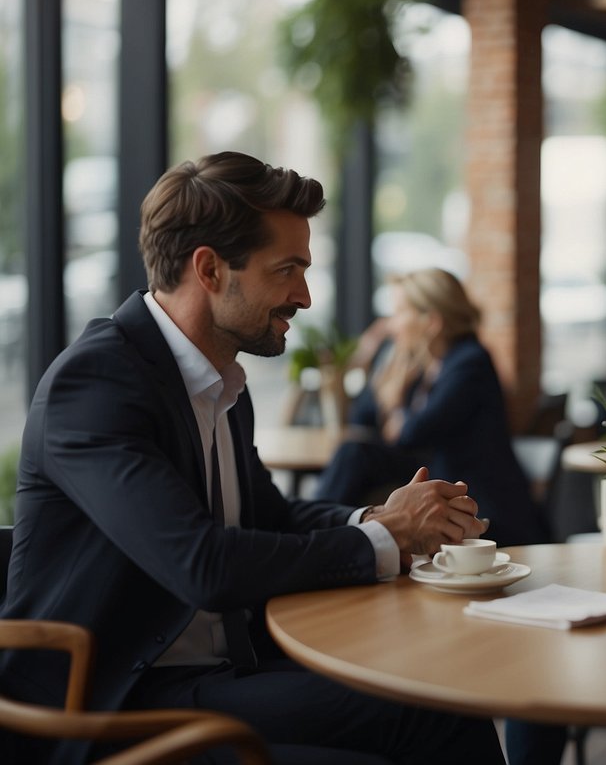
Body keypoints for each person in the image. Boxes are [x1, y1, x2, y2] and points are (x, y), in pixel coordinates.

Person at [0, 152, 506, 764]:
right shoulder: (96, 385)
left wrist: (377, 522)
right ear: (209, 269)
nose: (306, 296)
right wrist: (387, 540)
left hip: (215, 677)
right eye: (287, 270)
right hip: (111, 709)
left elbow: (268, 518)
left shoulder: (221, 385)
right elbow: (204, 566)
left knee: (444, 706)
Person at [315, 268, 549, 547]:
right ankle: (322, 531)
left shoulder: (470, 362)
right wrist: (378, 360)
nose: (391, 325)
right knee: (353, 453)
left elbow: (412, 434)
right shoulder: (428, 363)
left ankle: (319, 535)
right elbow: (364, 419)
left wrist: (398, 411)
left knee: (353, 455)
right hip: (441, 487)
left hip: (484, 512)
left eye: (401, 312)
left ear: (432, 322)